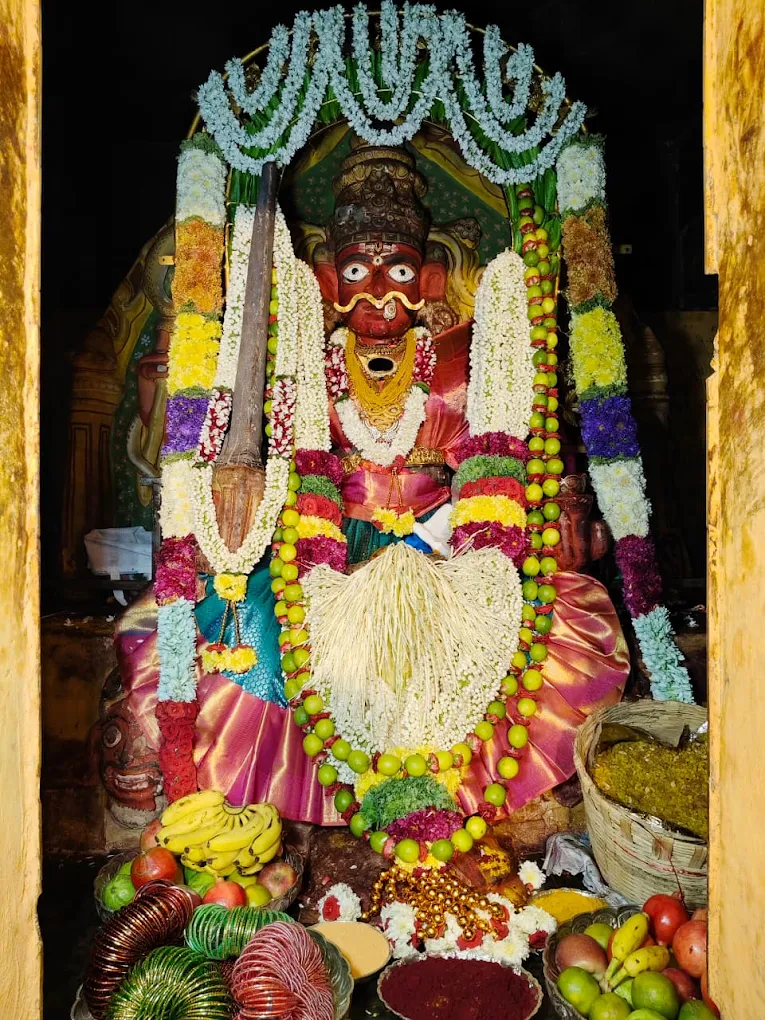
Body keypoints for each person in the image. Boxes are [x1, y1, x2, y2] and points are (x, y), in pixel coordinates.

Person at [115, 141, 628, 824]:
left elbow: (507, 460)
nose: (380, 289)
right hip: (319, 542)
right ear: (330, 277)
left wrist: (547, 510)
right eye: (358, 268)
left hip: (445, 541)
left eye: (399, 268)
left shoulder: (459, 362)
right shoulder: (300, 361)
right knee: (222, 625)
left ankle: (507, 803)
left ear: (430, 278)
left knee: (544, 610)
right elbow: (259, 470)